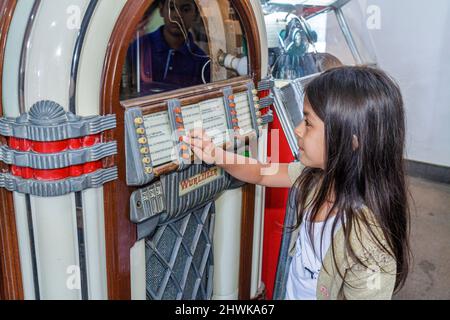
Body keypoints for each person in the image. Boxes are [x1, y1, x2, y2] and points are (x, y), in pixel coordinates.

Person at [185, 66, 411, 300]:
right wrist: (216, 155)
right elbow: (262, 173)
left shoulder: (368, 244)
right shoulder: (318, 177)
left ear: (352, 140)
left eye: (308, 123)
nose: (297, 129)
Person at [131, 0, 210, 90]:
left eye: (186, 9)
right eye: (172, 8)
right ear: (161, 10)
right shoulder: (138, 47)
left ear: (196, 15)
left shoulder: (202, 62)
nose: (177, 15)